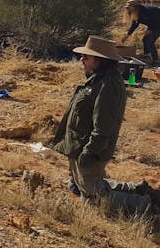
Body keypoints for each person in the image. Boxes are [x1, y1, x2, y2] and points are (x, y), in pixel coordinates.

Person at [52, 36, 160, 215]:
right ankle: (138, 190)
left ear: (98, 60)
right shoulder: (97, 80)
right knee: (83, 187)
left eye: (86, 57)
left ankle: (147, 204)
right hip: (80, 146)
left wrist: (90, 151)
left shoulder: (107, 85)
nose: (82, 60)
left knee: (95, 199)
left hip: (90, 149)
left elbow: (103, 127)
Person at [120, 0, 160, 66]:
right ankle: (147, 56)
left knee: (150, 41)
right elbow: (135, 24)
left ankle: (156, 60)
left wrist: (151, 29)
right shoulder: (137, 12)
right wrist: (127, 35)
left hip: (158, 25)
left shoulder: (145, 11)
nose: (127, 9)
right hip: (155, 24)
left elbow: (156, 20)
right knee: (145, 39)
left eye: (128, 7)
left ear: (134, 7)